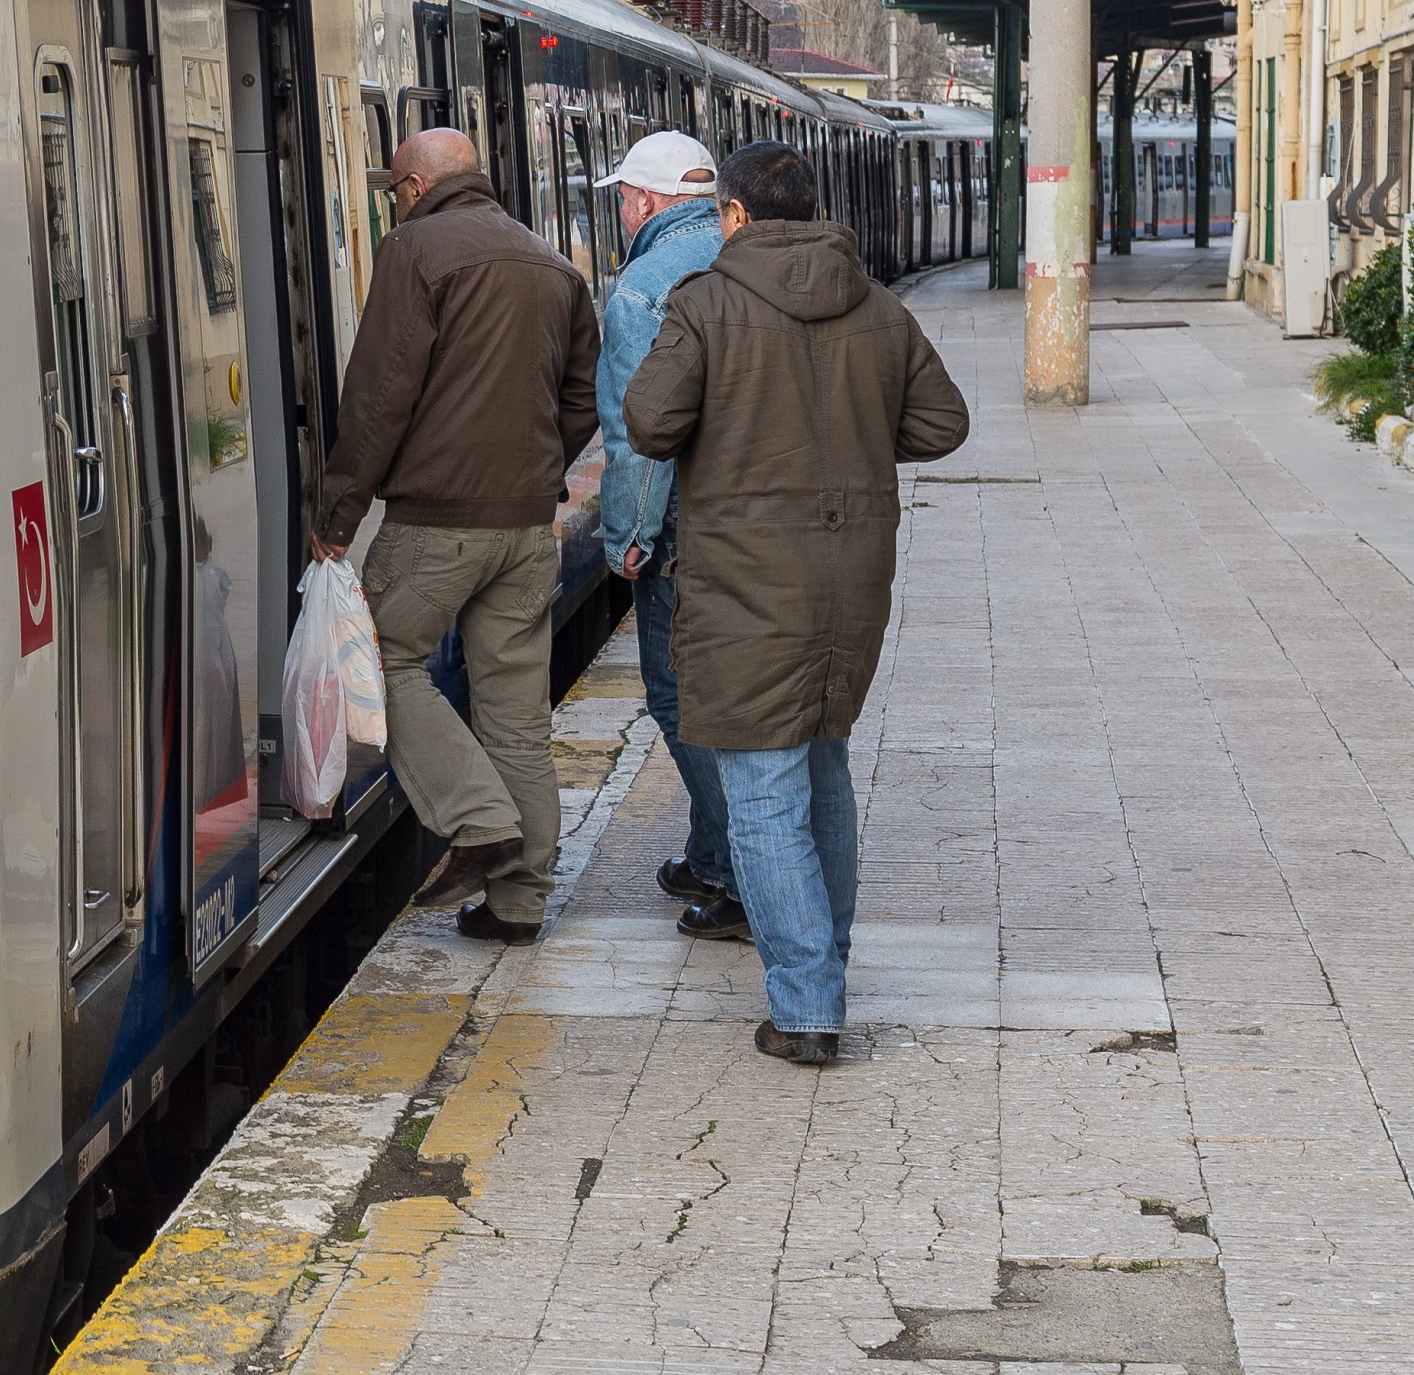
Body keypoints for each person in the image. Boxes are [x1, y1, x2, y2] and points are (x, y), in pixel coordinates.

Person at [621, 138, 970, 1064]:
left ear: (732, 215)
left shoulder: (703, 306)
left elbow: (651, 422)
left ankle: (810, 1006)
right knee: (823, 775)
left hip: (741, 584)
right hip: (851, 579)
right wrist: (849, 442)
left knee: (764, 795)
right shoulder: (879, 308)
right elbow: (943, 423)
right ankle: (826, 976)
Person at [310, 124, 599, 941]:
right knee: (515, 717)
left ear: (410, 187)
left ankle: (476, 822)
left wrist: (338, 516)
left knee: (377, 661)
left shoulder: (417, 251)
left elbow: (379, 395)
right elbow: (583, 398)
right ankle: (518, 905)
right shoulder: (551, 263)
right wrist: (537, 472)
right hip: (524, 530)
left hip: (437, 524)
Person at [587, 128, 739, 940]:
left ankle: (736, 872)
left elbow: (639, 430)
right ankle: (712, 847)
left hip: (680, 526)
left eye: (621, 197)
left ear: (643, 201)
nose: (620, 208)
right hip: (751, 523)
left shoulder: (643, 285)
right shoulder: (745, 255)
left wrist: (630, 538)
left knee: (679, 696)